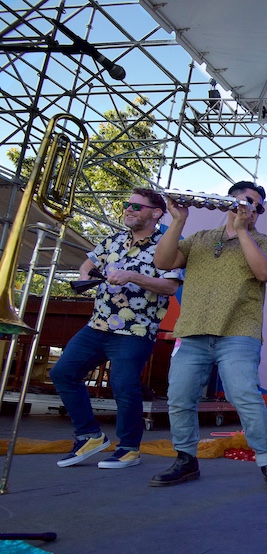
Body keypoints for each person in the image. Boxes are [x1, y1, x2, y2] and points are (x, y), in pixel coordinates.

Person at [149, 181, 267, 492]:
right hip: (192, 331)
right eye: (242, 200)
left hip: (238, 333)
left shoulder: (265, 243)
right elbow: (161, 263)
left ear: (259, 212)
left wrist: (241, 231)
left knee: (244, 396)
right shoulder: (200, 239)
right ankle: (186, 460)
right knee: (179, 398)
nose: (247, 207)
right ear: (228, 202)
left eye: (255, 204)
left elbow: (265, 273)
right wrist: (178, 220)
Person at [49, 188, 181, 469]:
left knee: (123, 387)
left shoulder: (167, 245)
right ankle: (89, 435)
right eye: (127, 205)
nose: (128, 209)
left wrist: (133, 276)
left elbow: (170, 286)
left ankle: (129, 448)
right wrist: (85, 276)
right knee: (63, 373)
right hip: (98, 325)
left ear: (156, 213)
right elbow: (89, 261)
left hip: (135, 330)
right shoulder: (114, 239)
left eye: (136, 206)